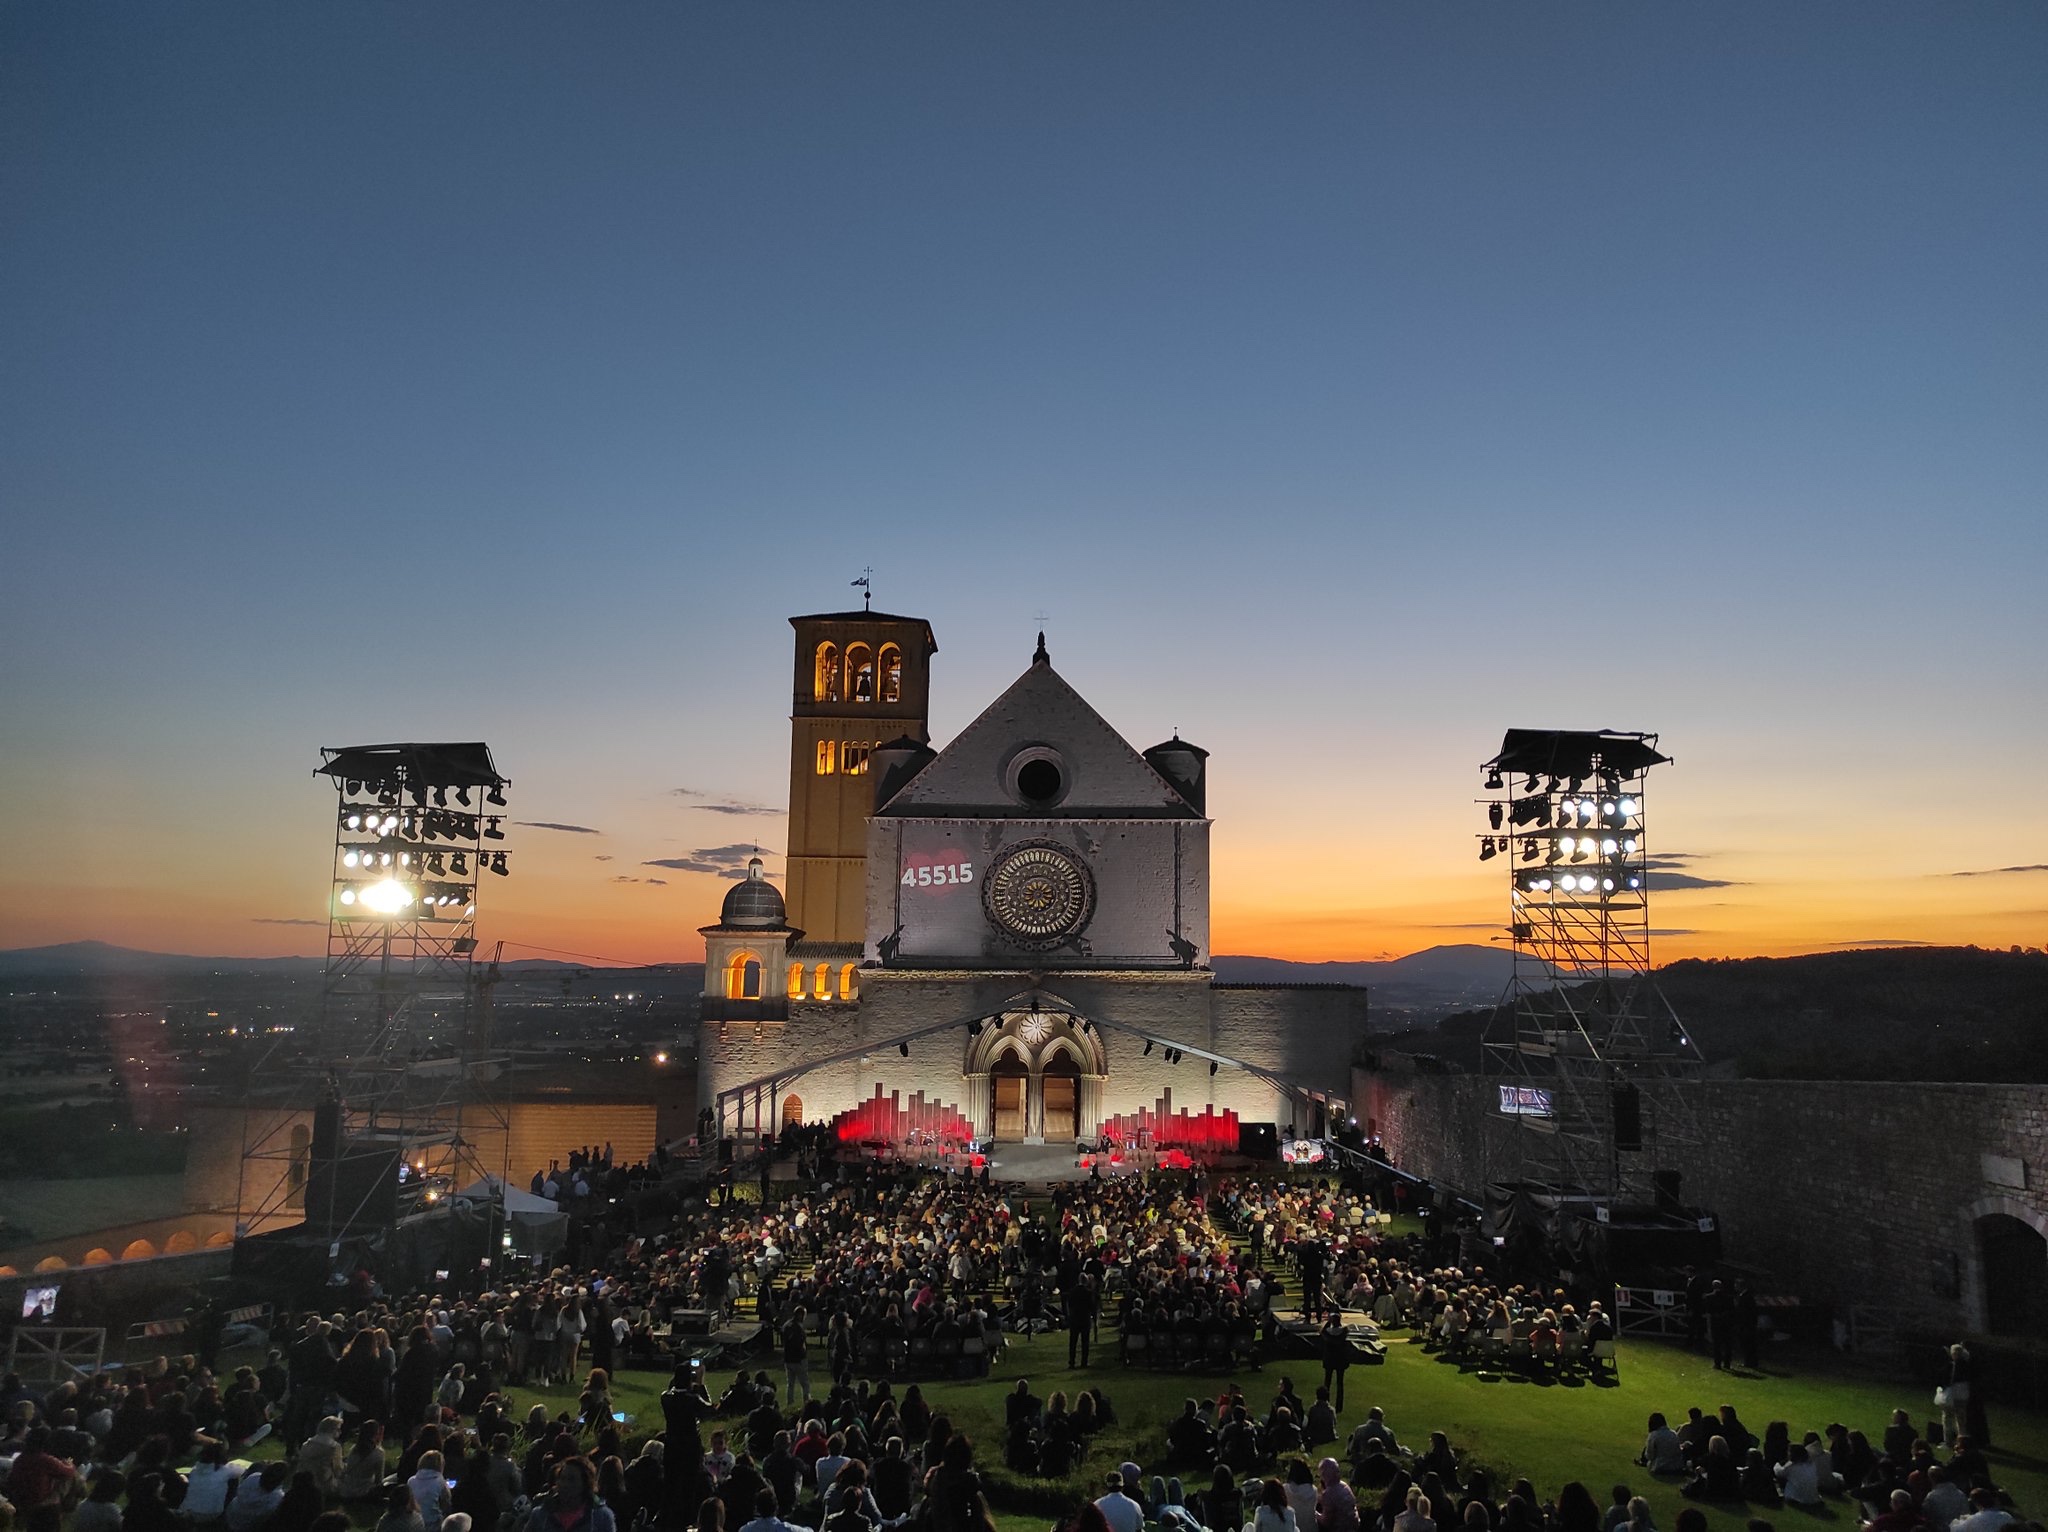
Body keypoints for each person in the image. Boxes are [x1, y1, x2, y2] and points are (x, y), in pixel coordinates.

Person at [1316, 1460, 1359, 1532]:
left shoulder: (1328, 1493)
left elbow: (1326, 1522)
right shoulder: (1344, 1485)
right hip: (1354, 1526)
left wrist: (1315, 1513)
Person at [1320, 1317, 1352, 1411]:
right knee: (1340, 1384)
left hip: (1329, 1360)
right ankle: (1339, 1406)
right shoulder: (1343, 1332)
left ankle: (1325, 1402)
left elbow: (1322, 1331)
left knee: (1327, 1383)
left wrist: (1328, 1322)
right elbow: (1346, 1331)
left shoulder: (1327, 1333)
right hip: (1340, 1361)